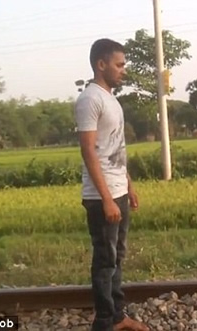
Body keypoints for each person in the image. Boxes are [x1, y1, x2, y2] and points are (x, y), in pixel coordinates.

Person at [74, 38, 149, 331]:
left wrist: (127, 185)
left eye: (124, 65)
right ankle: (105, 322)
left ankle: (119, 316)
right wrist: (106, 199)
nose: (123, 70)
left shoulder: (110, 99)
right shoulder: (90, 99)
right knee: (106, 261)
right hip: (101, 196)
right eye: (119, 64)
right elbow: (89, 150)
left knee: (117, 256)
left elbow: (114, 148)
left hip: (117, 190)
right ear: (101, 64)